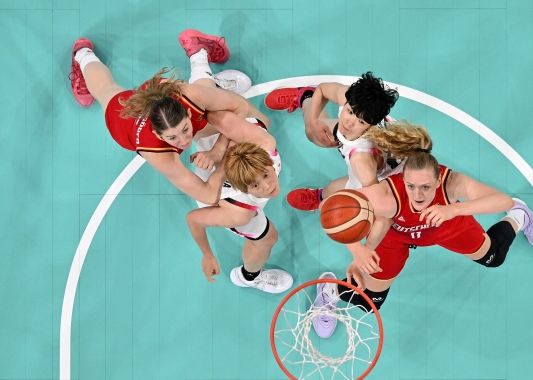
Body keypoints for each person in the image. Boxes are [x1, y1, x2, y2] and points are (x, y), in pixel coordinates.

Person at [313, 121, 533, 336]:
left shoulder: (452, 183)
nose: (418, 195)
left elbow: (502, 201)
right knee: (370, 301)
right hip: (394, 236)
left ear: (438, 180)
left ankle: (520, 217)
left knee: (493, 258)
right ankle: (329, 290)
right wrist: (360, 252)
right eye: (411, 186)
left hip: (445, 225)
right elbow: (329, 210)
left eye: (426, 187)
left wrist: (453, 210)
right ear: (403, 179)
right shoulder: (386, 195)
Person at [68, 29, 255, 205]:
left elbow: (240, 108)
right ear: (159, 135)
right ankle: (82, 54)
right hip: (123, 119)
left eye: (183, 131)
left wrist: (219, 149)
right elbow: (208, 195)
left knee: (211, 112)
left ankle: (201, 57)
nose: (184, 141)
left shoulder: (175, 94)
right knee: (105, 91)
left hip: (156, 93)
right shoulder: (159, 155)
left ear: (185, 112)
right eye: (172, 138)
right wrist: (223, 159)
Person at [181, 34, 292, 294]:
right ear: (245, 187)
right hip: (216, 192)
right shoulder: (239, 211)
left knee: (256, 117)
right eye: (256, 184)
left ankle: (201, 61)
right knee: (268, 238)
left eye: (265, 174)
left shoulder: (264, 143)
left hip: (220, 153)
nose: (268, 186)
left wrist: (219, 147)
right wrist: (207, 254)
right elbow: (194, 219)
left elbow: (219, 114)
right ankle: (248, 277)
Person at [264, 73, 402, 211]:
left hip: (390, 174)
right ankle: (305, 96)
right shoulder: (354, 100)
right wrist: (313, 120)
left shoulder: (361, 162)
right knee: (312, 132)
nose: (349, 122)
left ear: (370, 126)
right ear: (348, 101)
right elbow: (323, 89)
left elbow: (375, 199)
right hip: (372, 147)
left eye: (361, 121)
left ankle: (320, 198)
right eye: (349, 111)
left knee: (338, 192)